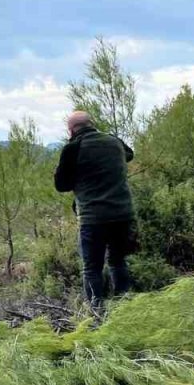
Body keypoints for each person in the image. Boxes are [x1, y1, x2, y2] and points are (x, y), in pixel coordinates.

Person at [54, 110, 136, 316]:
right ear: (92, 123)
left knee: (91, 268)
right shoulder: (113, 140)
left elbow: (61, 185)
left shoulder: (72, 148)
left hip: (93, 218)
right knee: (118, 262)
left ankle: (97, 313)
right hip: (123, 214)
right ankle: (125, 308)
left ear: (71, 130)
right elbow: (129, 155)